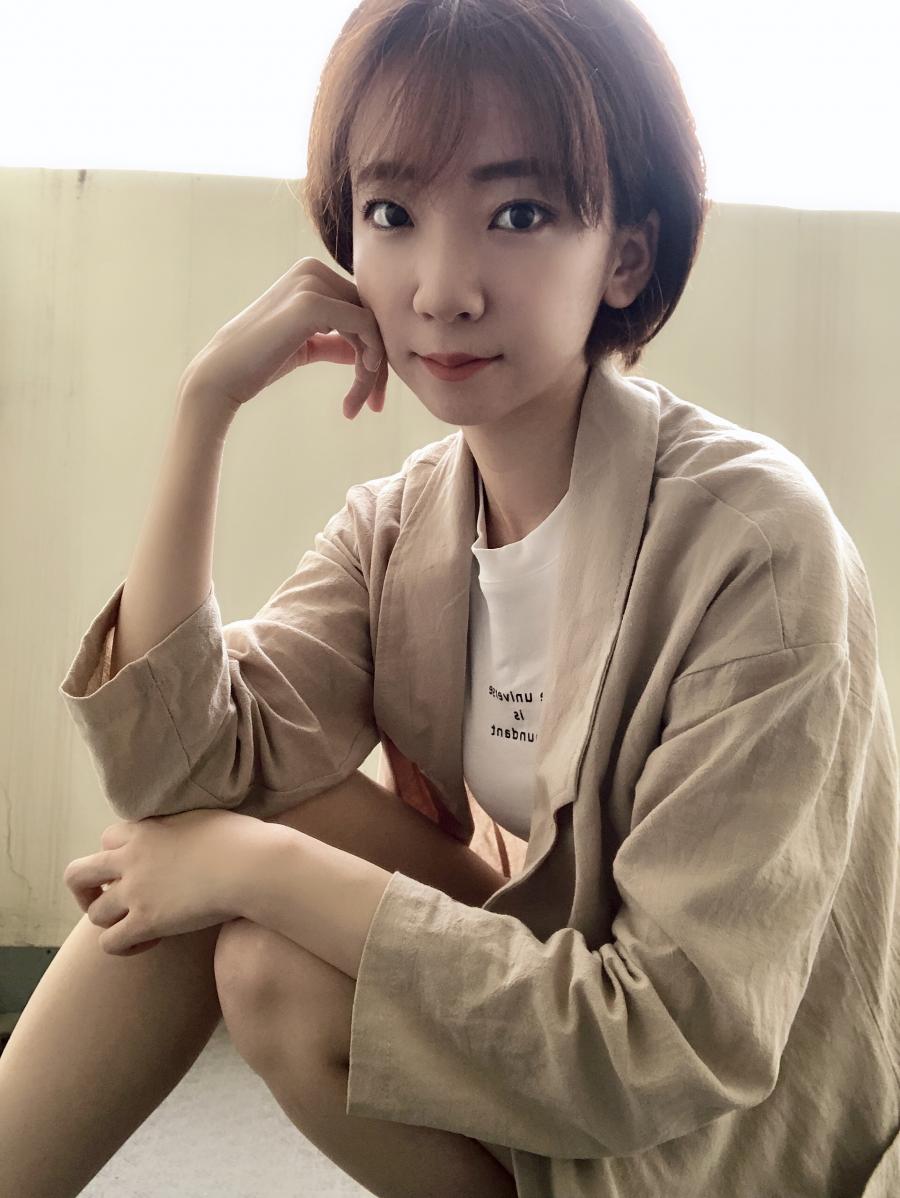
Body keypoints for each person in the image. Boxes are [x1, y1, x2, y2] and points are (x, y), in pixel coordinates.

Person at [3, 1, 898, 1196]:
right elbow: (178, 770)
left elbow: (674, 1038)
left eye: (516, 214)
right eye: (393, 213)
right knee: (221, 850)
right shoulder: (403, 526)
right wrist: (204, 406)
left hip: (697, 1116)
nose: (441, 288)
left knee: (260, 933)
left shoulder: (756, 546)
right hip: (543, 1002)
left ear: (625, 255)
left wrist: (256, 867)